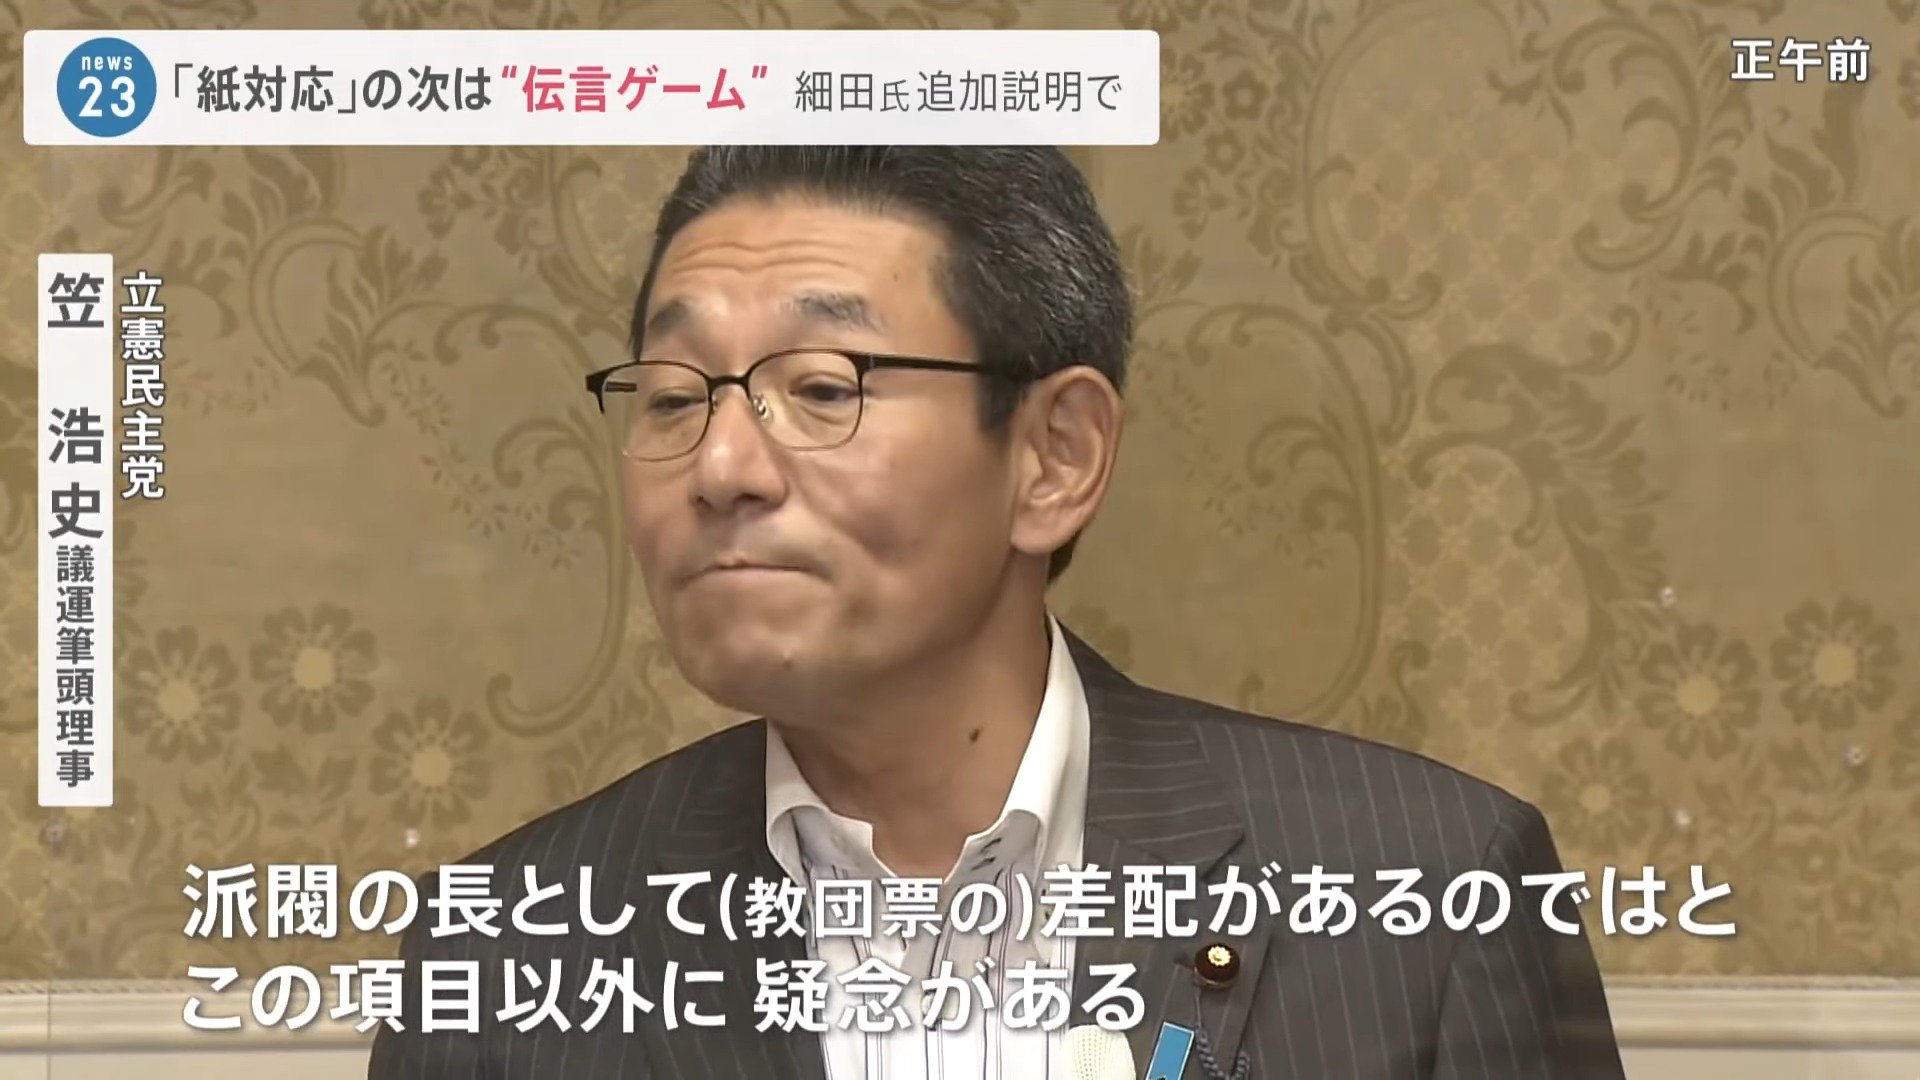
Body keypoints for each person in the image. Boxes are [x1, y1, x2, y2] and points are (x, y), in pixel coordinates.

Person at [368, 145, 1625, 1078]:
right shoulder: (508, 949)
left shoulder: (1432, 893)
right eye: (672, 395)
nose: (722, 466)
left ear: (1053, 456)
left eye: (823, 386)